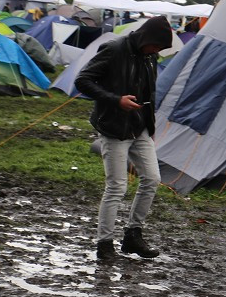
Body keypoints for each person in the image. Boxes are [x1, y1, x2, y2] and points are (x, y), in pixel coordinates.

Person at [74, 16, 173, 261]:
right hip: (113, 127)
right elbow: (82, 81)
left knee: (152, 179)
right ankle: (104, 244)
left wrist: (149, 124)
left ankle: (132, 236)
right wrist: (116, 99)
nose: (157, 52)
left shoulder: (150, 56)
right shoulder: (114, 49)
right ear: (146, 39)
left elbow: (149, 92)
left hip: (140, 128)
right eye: (156, 46)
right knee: (117, 186)